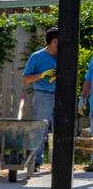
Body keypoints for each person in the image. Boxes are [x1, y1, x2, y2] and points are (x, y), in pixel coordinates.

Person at [21, 27, 59, 170]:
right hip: (43, 95)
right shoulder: (37, 57)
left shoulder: (63, 56)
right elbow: (26, 78)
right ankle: (36, 162)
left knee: (61, 130)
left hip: (61, 96)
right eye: (59, 42)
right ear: (53, 41)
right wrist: (42, 75)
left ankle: (59, 163)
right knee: (40, 130)